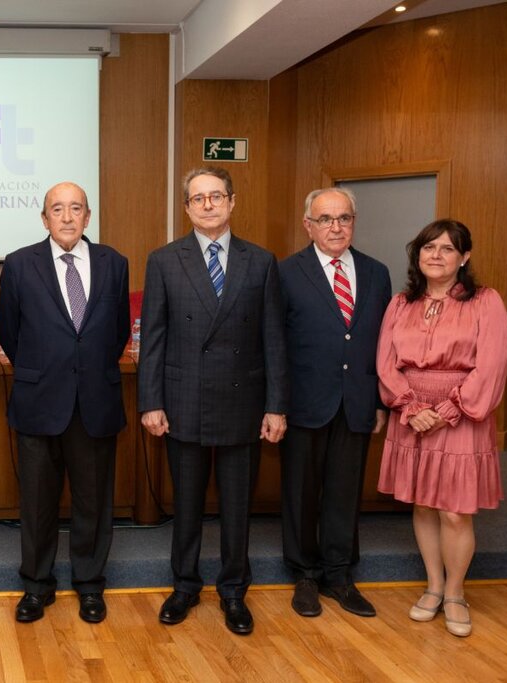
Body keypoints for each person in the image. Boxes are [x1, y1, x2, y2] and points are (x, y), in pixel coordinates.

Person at [137, 166, 288, 635]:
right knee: (186, 505)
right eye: (198, 198)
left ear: (231, 201)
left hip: (244, 404)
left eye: (216, 196)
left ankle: (233, 592)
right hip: (183, 401)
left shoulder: (261, 261)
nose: (207, 204)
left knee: (237, 506)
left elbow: (273, 340)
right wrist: (150, 401)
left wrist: (277, 405)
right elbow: (154, 339)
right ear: (186, 207)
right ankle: (184, 586)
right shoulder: (164, 260)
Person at [0, 182, 130, 624]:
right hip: (39, 399)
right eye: (58, 209)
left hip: (95, 399)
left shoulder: (115, 263)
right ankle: (36, 586)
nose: (68, 217)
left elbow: (116, 333)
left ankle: (90, 585)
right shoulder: (19, 264)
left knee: (94, 501)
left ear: (88, 217)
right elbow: (10, 333)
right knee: (37, 502)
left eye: (76, 209)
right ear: (44, 218)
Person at [377, 219, 507, 638]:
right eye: (428, 247)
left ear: (464, 257)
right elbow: (385, 362)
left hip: (462, 417)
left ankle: (455, 592)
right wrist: (411, 407)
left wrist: (449, 410)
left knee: (454, 511)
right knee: (423, 505)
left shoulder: (486, 302)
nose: (436, 255)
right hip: (410, 415)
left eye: (447, 249)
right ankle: (433, 586)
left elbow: (491, 366)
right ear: (418, 254)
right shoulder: (401, 304)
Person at [279, 188, 392, 619]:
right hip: (303, 402)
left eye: (343, 218)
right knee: (302, 492)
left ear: (353, 222)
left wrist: (380, 399)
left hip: (358, 401)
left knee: (345, 493)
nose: (335, 227)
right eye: (325, 219)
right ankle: (305, 574)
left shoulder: (376, 272)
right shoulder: (287, 272)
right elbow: (276, 342)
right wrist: (276, 404)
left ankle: (340, 576)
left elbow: (383, 343)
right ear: (308, 224)